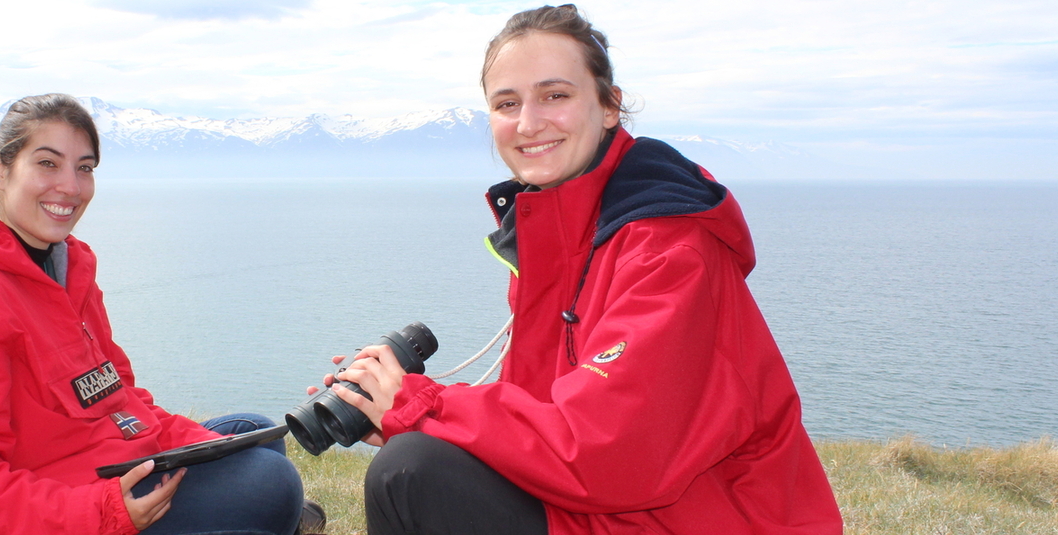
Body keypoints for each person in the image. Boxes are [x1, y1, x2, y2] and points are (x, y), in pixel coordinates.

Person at [314, 5, 843, 534]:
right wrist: (394, 413)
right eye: (506, 103)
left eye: (555, 95)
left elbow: (606, 450)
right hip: (613, 509)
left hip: (702, 517)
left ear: (610, 105)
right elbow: (544, 416)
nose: (528, 122)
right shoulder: (560, 229)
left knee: (410, 472)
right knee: (413, 462)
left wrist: (419, 405)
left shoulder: (668, 248)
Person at [0, 93, 309, 535]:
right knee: (268, 483)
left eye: (84, 168)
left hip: (104, 461)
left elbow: (118, 398)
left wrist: (208, 453)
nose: (70, 186)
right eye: (48, 163)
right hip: (59, 506)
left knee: (256, 435)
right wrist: (102, 512)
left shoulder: (67, 270)